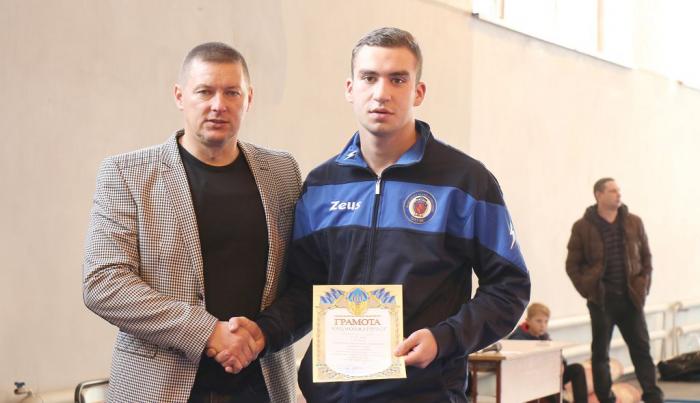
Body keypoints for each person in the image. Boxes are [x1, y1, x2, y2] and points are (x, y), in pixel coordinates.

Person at [219, 27, 531, 402]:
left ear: (418, 91)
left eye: (397, 79)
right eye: (369, 78)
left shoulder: (465, 183)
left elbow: (509, 288)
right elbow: (305, 291)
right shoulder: (322, 185)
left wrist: (444, 338)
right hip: (332, 394)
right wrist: (263, 332)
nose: (381, 93)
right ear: (350, 89)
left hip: (425, 394)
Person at [82, 42, 300, 402]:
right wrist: (207, 333)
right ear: (180, 96)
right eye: (204, 91)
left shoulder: (282, 172)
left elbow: (300, 277)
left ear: (249, 98)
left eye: (232, 92)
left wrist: (263, 333)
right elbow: (104, 282)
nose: (218, 105)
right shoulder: (126, 173)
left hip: (262, 385)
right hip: (159, 388)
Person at [566, 178, 663, 403]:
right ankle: (605, 398)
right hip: (601, 301)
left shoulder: (633, 222)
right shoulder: (582, 227)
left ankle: (652, 396)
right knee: (601, 354)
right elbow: (572, 265)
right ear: (599, 195)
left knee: (641, 350)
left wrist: (643, 286)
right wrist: (587, 289)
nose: (618, 194)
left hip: (631, 299)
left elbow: (646, 258)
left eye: (619, 190)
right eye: (612, 191)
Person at [509, 303, 588, 403]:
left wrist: (561, 364)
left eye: (546, 321)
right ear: (528, 321)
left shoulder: (544, 336)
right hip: (533, 380)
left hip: (549, 376)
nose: (543, 325)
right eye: (539, 321)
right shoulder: (518, 338)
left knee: (577, 369)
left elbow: (557, 353)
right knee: (547, 379)